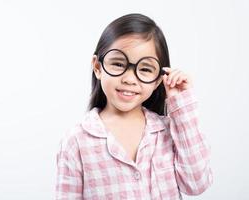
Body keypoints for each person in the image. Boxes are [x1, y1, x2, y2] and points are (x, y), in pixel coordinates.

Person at [56, 13, 213, 199]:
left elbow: (196, 184)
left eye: (145, 69)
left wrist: (181, 105)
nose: (129, 79)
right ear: (97, 67)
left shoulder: (169, 131)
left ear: (158, 79)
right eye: (118, 63)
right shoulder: (77, 141)